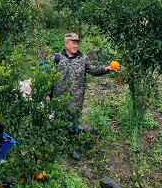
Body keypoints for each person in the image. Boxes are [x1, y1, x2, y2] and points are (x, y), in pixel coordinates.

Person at [46, 32, 117, 160]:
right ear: (66, 43)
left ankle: (71, 149)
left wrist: (106, 69)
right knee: (58, 125)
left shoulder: (83, 58)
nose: (76, 45)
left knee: (74, 126)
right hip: (59, 99)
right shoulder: (57, 58)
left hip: (75, 100)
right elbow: (49, 77)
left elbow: (93, 70)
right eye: (73, 43)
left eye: (77, 43)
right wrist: (47, 94)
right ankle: (57, 150)